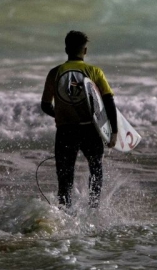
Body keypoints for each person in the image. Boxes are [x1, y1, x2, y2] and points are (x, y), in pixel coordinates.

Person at [40, 30, 118, 208]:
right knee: (96, 169)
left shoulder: (55, 73)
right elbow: (108, 101)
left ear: (66, 49)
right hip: (91, 129)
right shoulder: (94, 72)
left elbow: (45, 105)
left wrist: (59, 114)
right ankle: (93, 208)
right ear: (85, 51)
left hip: (66, 131)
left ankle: (65, 213)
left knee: (65, 176)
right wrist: (114, 131)